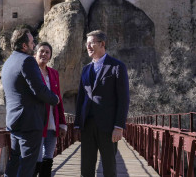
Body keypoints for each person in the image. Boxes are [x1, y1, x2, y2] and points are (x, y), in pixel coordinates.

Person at [3, 29, 60, 177]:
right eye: (32, 42)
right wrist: (55, 99)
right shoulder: (27, 60)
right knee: (28, 167)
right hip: (29, 123)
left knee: (14, 163)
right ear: (24, 46)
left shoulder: (8, 62)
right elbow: (39, 90)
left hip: (14, 121)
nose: (34, 44)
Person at [74, 30, 129, 177]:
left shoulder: (117, 67)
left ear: (102, 44)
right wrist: (78, 124)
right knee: (86, 168)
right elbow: (81, 98)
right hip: (87, 126)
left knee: (109, 168)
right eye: (87, 44)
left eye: (92, 43)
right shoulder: (85, 70)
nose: (88, 46)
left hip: (109, 127)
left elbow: (123, 99)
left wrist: (119, 126)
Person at [33, 42, 67, 177]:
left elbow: (58, 99)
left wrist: (63, 123)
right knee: (37, 158)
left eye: (47, 52)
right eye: (41, 51)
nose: (44, 54)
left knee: (48, 157)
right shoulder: (32, 71)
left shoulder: (53, 73)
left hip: (53, 121)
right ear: (35, 53)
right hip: (38, 121)